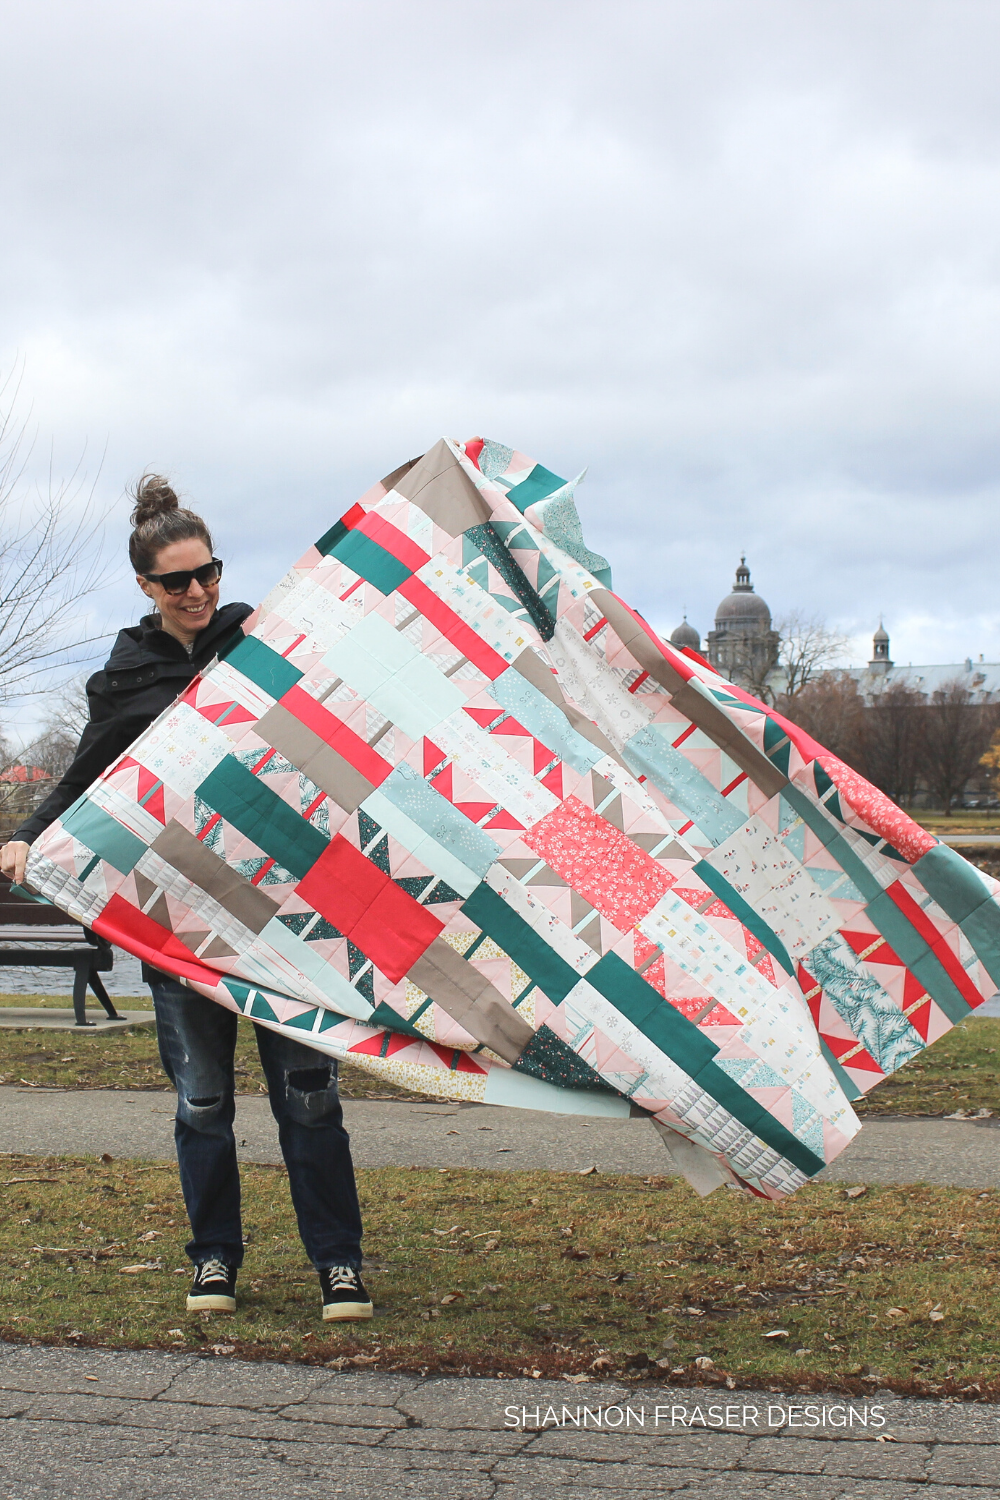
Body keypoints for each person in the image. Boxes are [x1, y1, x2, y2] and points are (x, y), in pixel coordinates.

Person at [0, 477, 371, 1322]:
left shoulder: (262, 645)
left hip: (287, 922)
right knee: (201, 1103)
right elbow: (88, 776)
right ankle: (214, 1260)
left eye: (207, 573)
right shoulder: (127, 678)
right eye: (177, 582)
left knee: (310, 1098)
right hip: (183, 923)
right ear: (146, 588)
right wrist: (30, 833)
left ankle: (338, 1264)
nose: (198, 591)